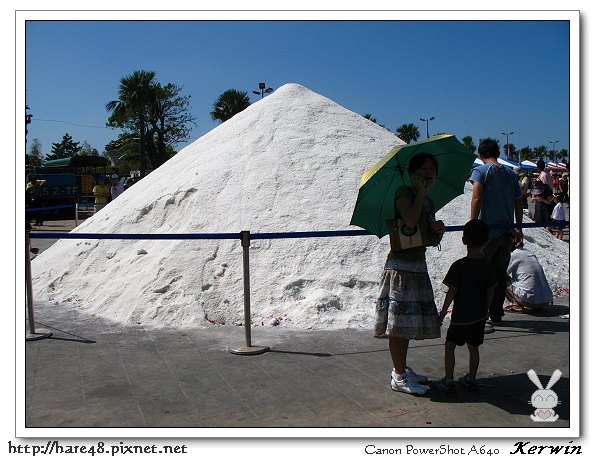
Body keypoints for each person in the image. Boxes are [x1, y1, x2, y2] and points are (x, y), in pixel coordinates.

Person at [374, 152, 446, 395]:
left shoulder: (429, 202)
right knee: (398, 326)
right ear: (413, 173)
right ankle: (398, 375)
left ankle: (402, 368)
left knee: (404, 325)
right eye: (423, 170)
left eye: (432, 170)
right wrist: (421, 193)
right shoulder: (404, 193)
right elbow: (410, 221)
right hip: (401, 268)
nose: (428, 174)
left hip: (417, 267)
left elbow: (427, 238)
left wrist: (439, 230)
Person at [431, 219, 497, 392]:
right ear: (487, 242)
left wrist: (442, 314)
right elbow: (491, 291)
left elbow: (451, 293)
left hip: (460, 318)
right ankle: (472, 378)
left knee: (450, 346)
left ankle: (449, 379)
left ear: (463, 240)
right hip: (479, 316)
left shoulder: (458, 266)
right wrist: (487, 310)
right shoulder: (488, 265)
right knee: (473, 347)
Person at [469, 138, 523, 333]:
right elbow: (519, 201)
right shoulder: (510, 173)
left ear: (481, 155)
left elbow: (476, 197)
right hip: (507, 232)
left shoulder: (481, 171)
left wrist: (472, 223)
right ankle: (497, 313)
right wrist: (518, 226)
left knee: (483, 274)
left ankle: (482, 316)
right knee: (500, 275)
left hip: (487, 231)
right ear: (497, 153)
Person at [505, 241, 553, 312]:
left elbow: (504, 271)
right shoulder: (530, 254)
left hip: (529, 301)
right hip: (545, 300)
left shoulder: (514, 254)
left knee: (501, 277)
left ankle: (514, 305)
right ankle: (537, 305)